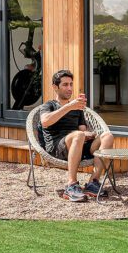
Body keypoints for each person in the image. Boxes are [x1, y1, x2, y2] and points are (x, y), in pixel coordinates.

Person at [40, 69, 114, 202]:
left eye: (71, 84)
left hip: (78, 144)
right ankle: (71, 185)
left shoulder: (77, 109)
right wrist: (69, 107)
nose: (69, 88)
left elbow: (82, 130)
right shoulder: (49, 105)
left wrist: (89, 134)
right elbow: (45, 122)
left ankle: (93, 182)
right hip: (58, 148)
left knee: (107, 136)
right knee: (78, 135)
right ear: (55, 87)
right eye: (65, 85)